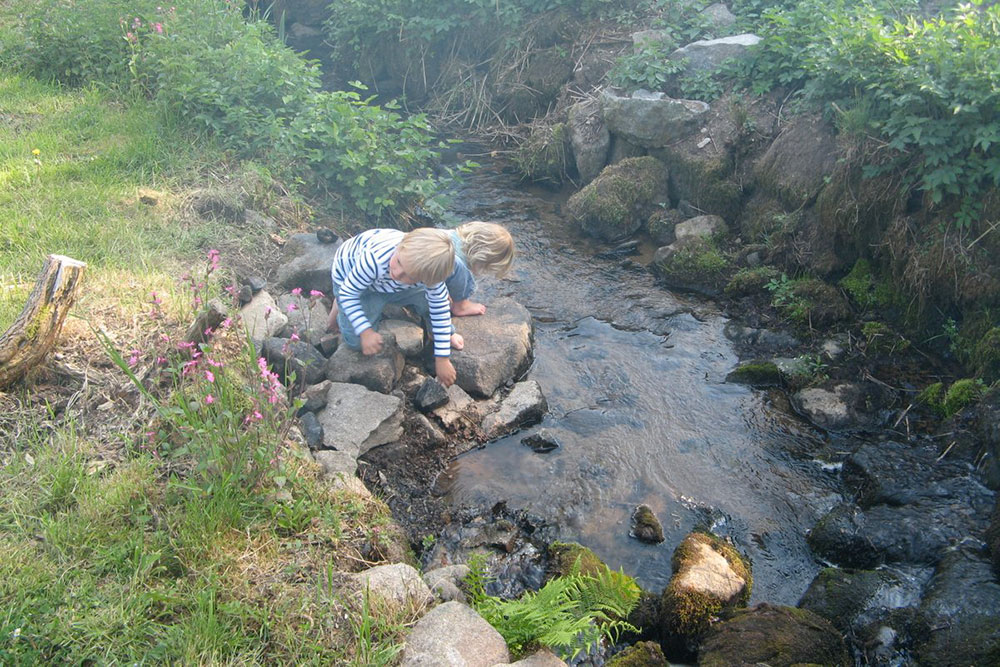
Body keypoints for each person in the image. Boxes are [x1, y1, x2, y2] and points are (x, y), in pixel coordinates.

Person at [327, 227, 458, 386]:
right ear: (400, 247)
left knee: (440, 300)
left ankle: (439, 335)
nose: (397, 273)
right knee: (356, 342)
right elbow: (348, 293)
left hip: (394, 286)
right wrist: (365, 331)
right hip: (354, 283)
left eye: (409, 275)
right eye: (399, 262)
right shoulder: (376, 259)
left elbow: (440, 310)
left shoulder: (428, 273)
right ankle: (339, 304)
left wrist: (442, 359)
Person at [445, 221, 515, 318]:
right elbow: (459, 281)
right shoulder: (461, 267)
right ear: (484, 257)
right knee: (462, 276)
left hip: (418, 268)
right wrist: (459, 304)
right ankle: (462, 306)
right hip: (419, 291)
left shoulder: (448, 235)